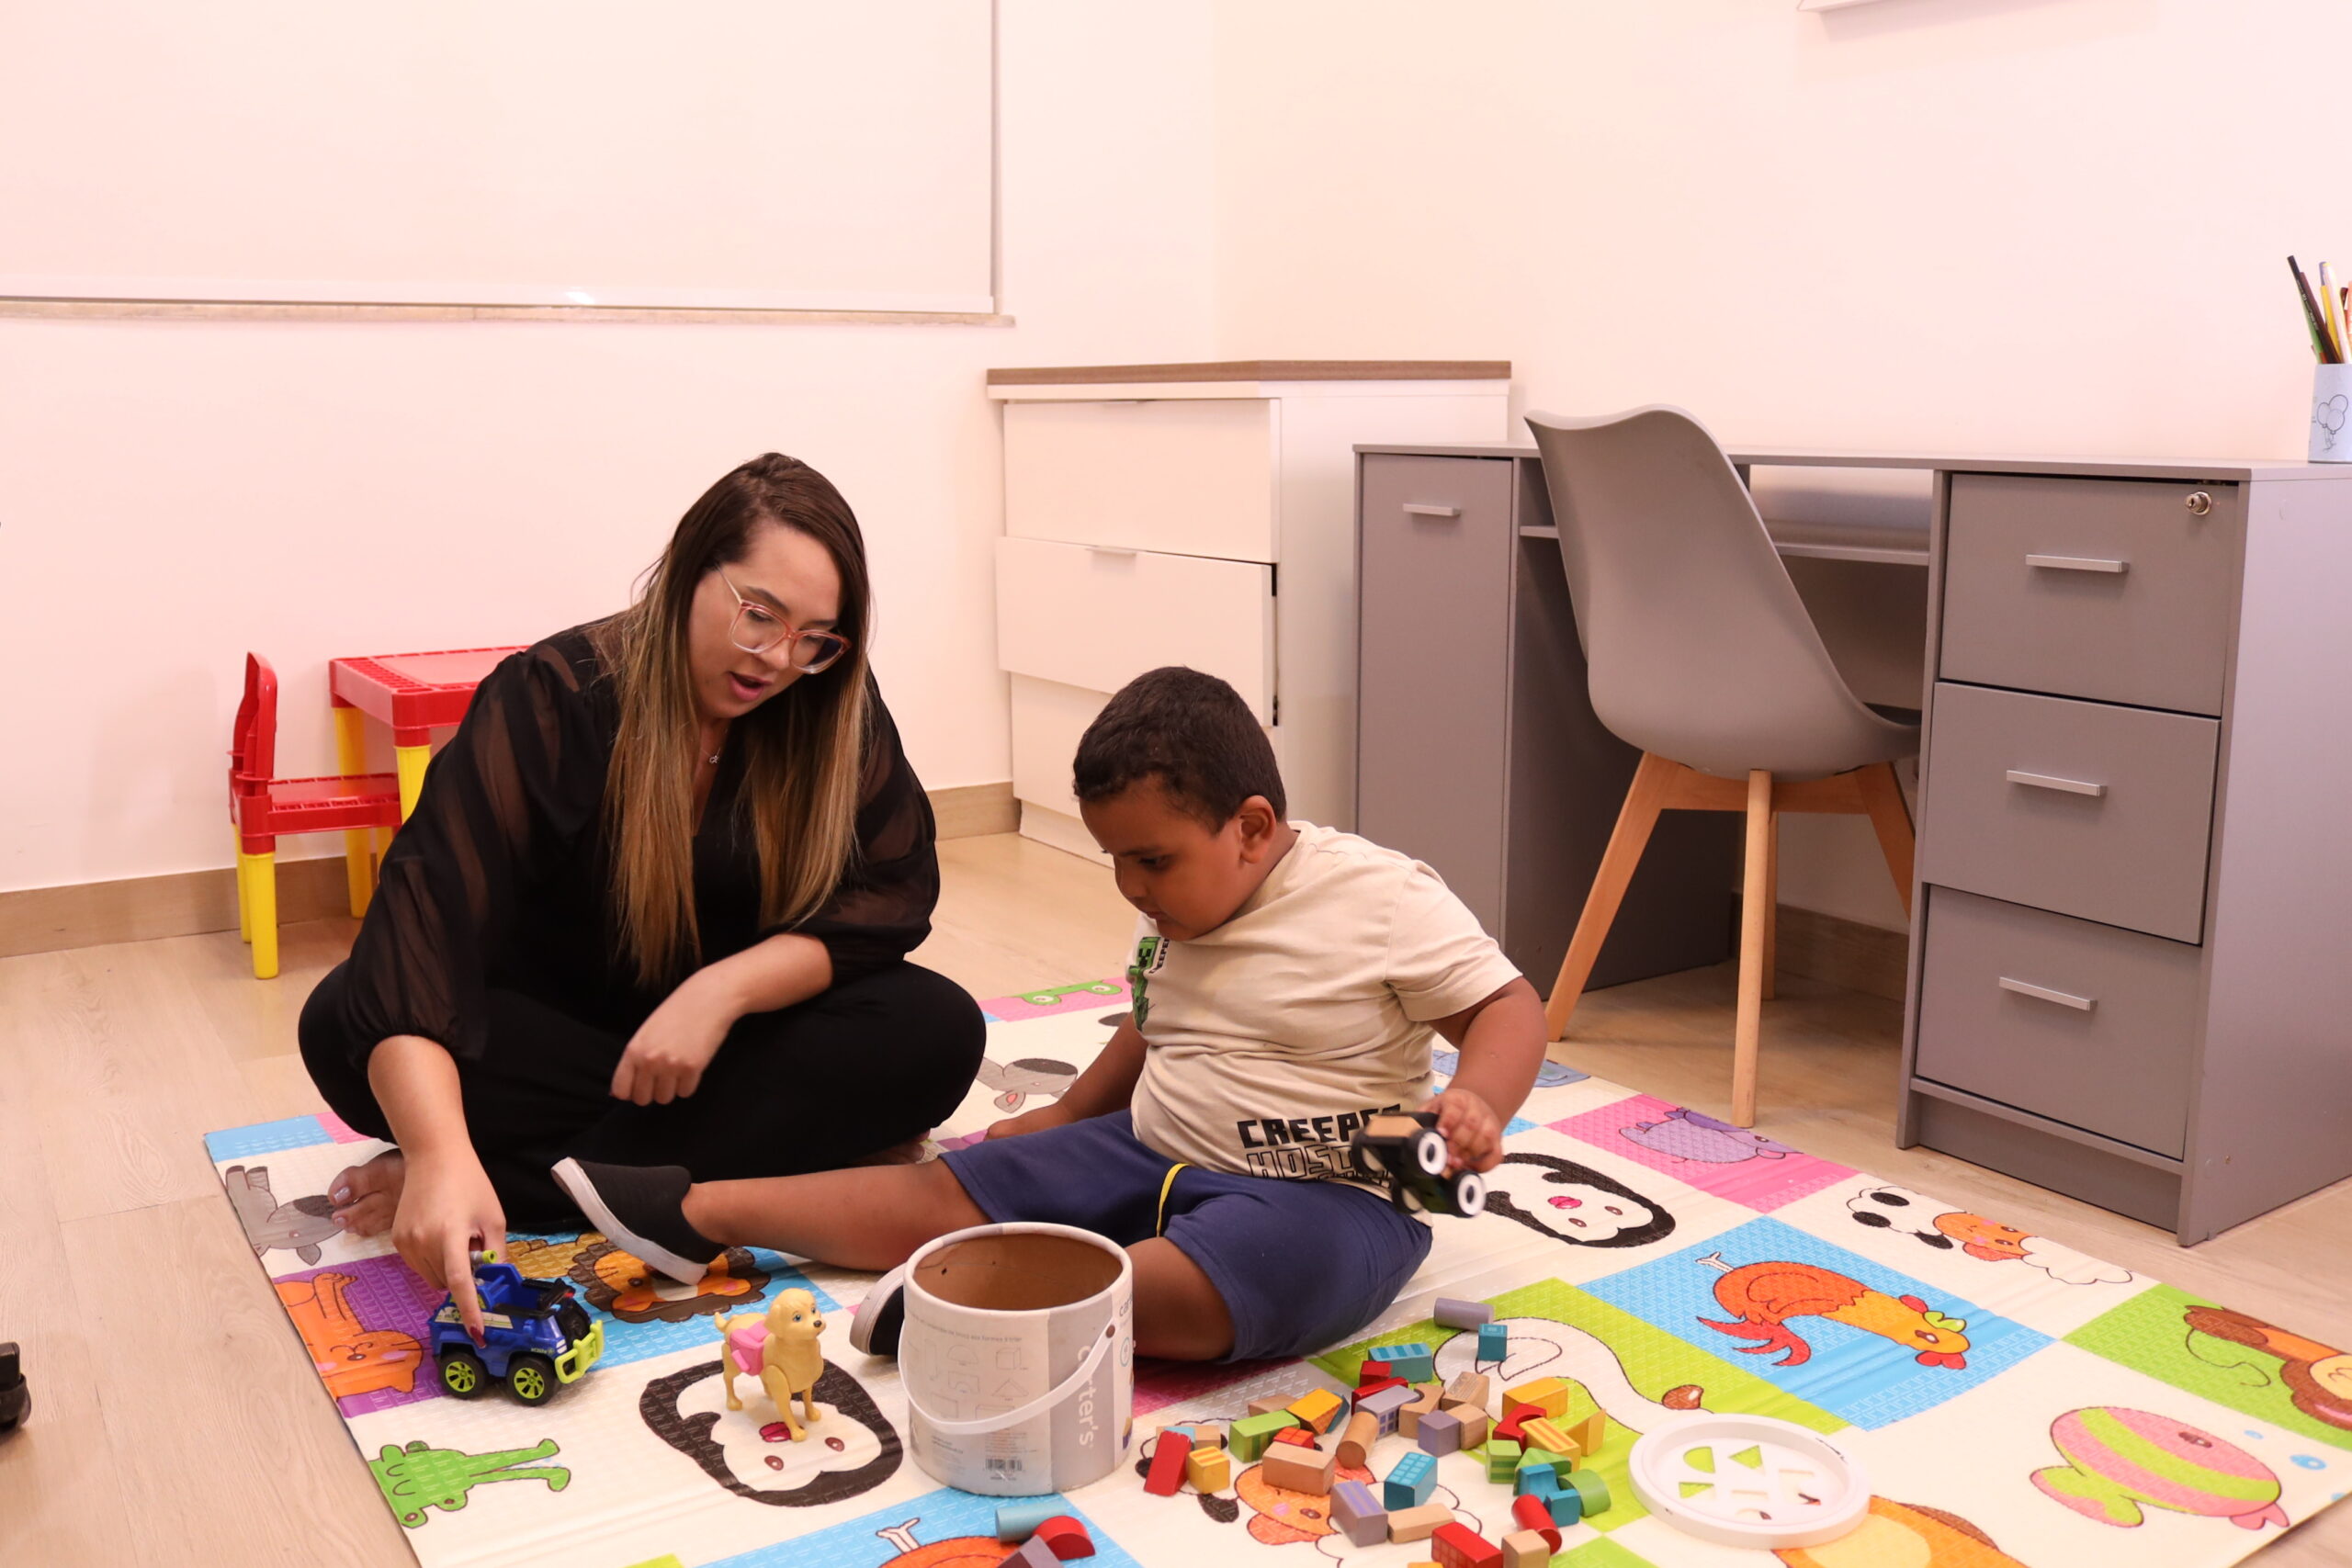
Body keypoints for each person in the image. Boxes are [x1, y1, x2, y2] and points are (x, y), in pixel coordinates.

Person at [554, 666, 1548, 1362]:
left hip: (1343, 1178)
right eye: (1112, 856)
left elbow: (1506, 1006)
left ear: (1251, 828)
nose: (1127, 885)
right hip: (1157, 1142)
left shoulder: (1380, 897)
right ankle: (699, 1212)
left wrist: (1475, 1101)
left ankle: (990, 1302)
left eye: (1150, 859)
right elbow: (1153, 1025)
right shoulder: (1173, 911)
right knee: (960, 1182)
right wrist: (1068, 1118)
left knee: (1252, 1276)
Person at [299, 454, 986, 1337]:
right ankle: (720, 1178)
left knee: (936, 1029)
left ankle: (521, 1183)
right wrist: (436, 1149)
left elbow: (892, 889)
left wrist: (721, 991)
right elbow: (424, 924)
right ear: (689, 568)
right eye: (758, 616)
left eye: (816, 637)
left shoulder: (829, 705)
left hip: (719, 1054)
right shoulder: (553, 697)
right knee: (342, 1019)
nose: (780, 658)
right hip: (559, 1039)